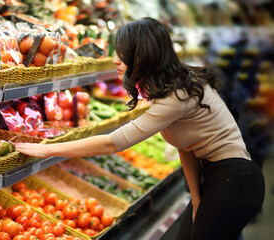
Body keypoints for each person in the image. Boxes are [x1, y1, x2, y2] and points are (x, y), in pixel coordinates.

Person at [14, 18, 264, 240]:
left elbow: (112, 143)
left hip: (234, 180)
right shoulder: (171, 88)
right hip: (216, 177)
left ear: (143, 55)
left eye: (122, 54)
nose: (114, 60)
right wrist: (196, 199)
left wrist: (48, 150)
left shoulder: (177, 95)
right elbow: (185, 147)